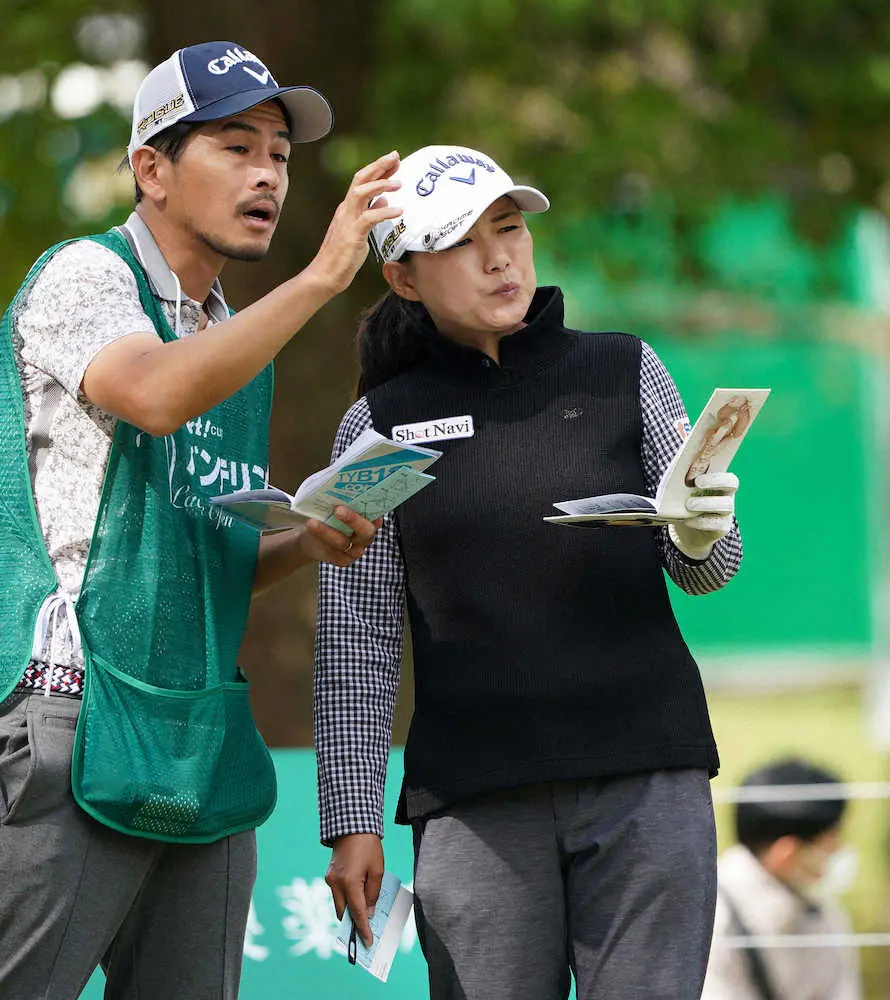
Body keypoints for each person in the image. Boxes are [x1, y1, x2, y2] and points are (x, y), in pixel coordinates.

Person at [0, 40, 402, 1000]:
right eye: (235, 146)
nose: (268, 173)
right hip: (79, 716)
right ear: (151, 169)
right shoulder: (82, 276)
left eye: (280, 153)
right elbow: (152, 395)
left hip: (202, 735)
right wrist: (319, 280)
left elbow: (208, 550)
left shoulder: (228, 329)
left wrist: (310, 536)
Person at [315, 144, 745, 1000]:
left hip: (645, 777)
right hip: (474, 798)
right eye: (463, 242)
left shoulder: (624, 369)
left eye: (509, 229)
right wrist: (351, 821)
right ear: (403, 278)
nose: (500, 257)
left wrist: (703, 534)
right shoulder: (383, 423)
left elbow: (708, 569)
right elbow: (355, 638)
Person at [702, 759, 862, 1000]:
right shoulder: (712, 918)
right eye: (831, 838)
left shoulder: (822, 913)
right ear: (785, 853)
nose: (839, 849)